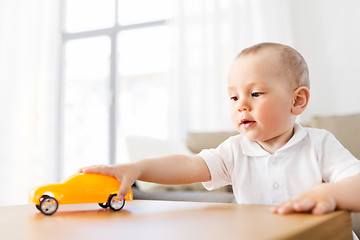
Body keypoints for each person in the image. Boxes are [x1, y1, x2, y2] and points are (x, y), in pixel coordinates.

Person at [80, 42, 360, 216]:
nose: (242, 105)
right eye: (234, 97)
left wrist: (330, 194)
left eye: (257, 93)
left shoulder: (319, 144)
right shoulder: (234, 152)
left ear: (297, 100)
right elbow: (188, 165)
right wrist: (139, 169)